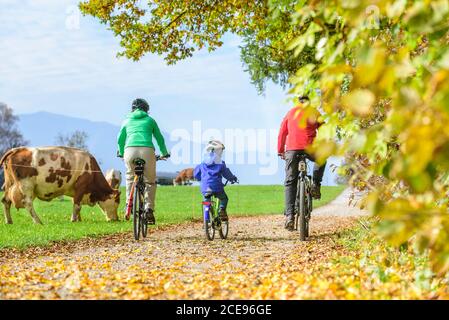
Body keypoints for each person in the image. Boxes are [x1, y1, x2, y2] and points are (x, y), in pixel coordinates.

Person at [117, 98, 170, 225]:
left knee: (130, 176)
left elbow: (120, 139)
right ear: (146, 109)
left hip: (130, 150)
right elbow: (159, 138)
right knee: (150, 181)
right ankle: (149, 209)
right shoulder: (150, 120)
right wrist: (164, 153)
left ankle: (128, 205)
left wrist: (121, 152)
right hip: (147, 150)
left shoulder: (126, 121)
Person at [278, 95, 326, 231]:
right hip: (310, 148)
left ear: (298, 102)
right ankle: (316, 184)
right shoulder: (314, 112)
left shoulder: (290, 112)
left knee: (290, 181)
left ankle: (289, 217)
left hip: (292, 150)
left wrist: (280, 150)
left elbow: (282, 132)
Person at [194, 140, 238, 222]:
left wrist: (200, 179)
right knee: (224, 199)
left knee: (206, 200)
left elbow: (196, 174)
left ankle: (206, 220)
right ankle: (222, 209)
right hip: (217, 187)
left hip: (205, 187)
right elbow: (227, 174)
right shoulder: (220, 163)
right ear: (218, 151)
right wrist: (233, 178)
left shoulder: (202, 163)